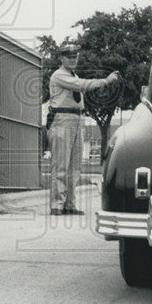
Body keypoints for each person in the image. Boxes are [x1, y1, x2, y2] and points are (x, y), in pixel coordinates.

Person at [47, 41, 120, 215]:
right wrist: (106, 81)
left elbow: (81, 86)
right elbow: (83, 86)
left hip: (77, 118)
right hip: (62, 118)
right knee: (61, 164)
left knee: (75, 165)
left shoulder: (74, 75)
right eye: (68, 57)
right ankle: (57, 204)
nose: (72, 60)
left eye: (74, 57)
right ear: (62, 58)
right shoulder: (59, 75)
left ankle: (69, 204)